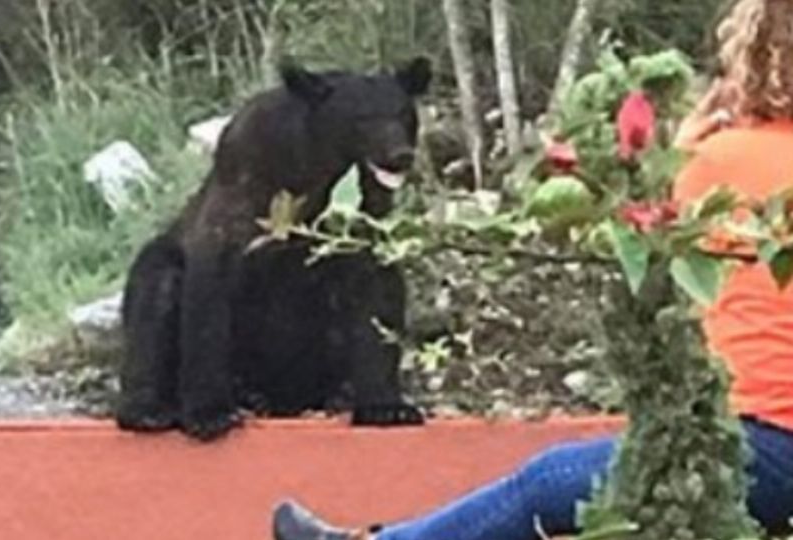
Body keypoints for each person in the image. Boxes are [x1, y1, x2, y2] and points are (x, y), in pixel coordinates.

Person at [271, 0, 793, 538]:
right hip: (746, 437)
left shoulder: (716, 159)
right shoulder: (728, 158)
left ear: (751, 51)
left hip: (759, 442)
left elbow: (646, 262)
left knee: (550, 482)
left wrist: (678, 150)